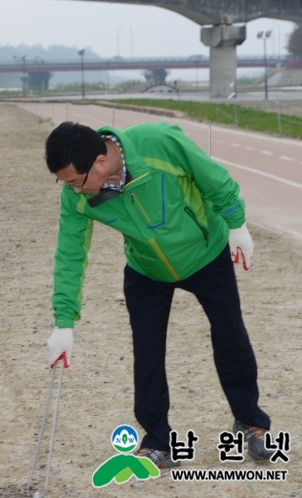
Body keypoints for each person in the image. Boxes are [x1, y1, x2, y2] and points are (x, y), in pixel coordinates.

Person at [44, 121, 273, 468]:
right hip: (147, 270)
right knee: (147, 353)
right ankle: (157, 439)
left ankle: (251, 422)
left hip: (205, 254)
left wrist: (236, 223)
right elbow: (70, 254)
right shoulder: (77, 198)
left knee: (231, 339)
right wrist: (63, 323)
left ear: (100, 163)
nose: (74, 191)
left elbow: (211, 177)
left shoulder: (158, 143)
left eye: (76, 182)